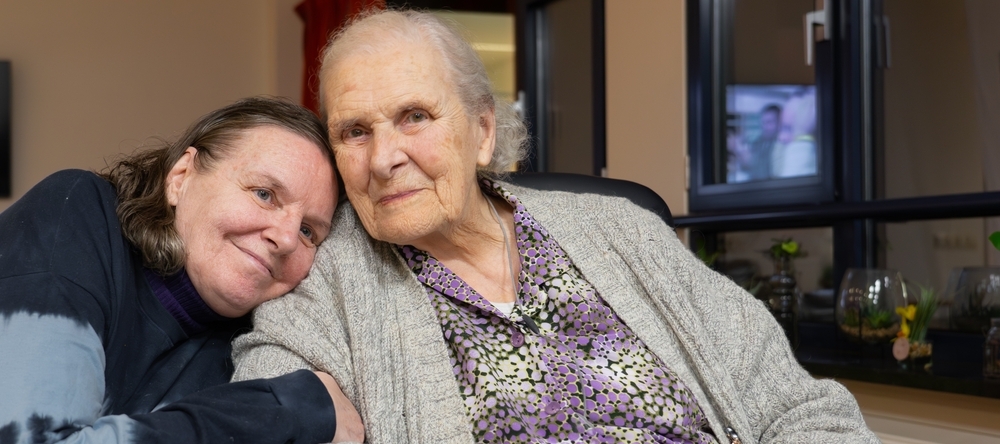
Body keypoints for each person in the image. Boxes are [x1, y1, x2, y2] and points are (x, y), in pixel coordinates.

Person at [232, 10, 879, 444]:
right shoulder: (328, 281)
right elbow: (260, 409)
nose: (383, 158)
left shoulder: (621, 230)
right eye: (354, 131)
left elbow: (801, 407)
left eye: (414, 117)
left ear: (483, 131)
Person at [0, 97, 362, 443]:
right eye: (264, 194)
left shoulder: (257, 351)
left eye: (308, 231)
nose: (285, 239)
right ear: (181, 176)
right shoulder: (77, 215)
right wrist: (286, 410)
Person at [772, 90, 817, 178]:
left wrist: (802, 138)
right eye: (785, 128)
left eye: (793, 129)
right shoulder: (780, 145)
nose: (783, 137)